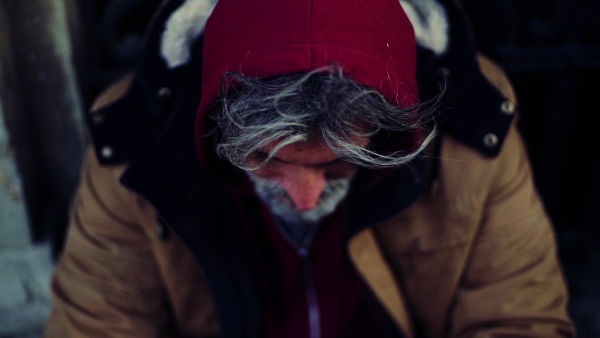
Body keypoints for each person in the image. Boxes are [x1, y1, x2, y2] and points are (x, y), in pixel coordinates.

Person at [44, 0, 576, 337]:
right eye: (267, 162)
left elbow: (519, 318)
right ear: (215, 133)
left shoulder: (476, 129)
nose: (304, 197)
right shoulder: (134, 146)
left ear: (391, 137)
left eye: (340, 164)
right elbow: (94, 325)